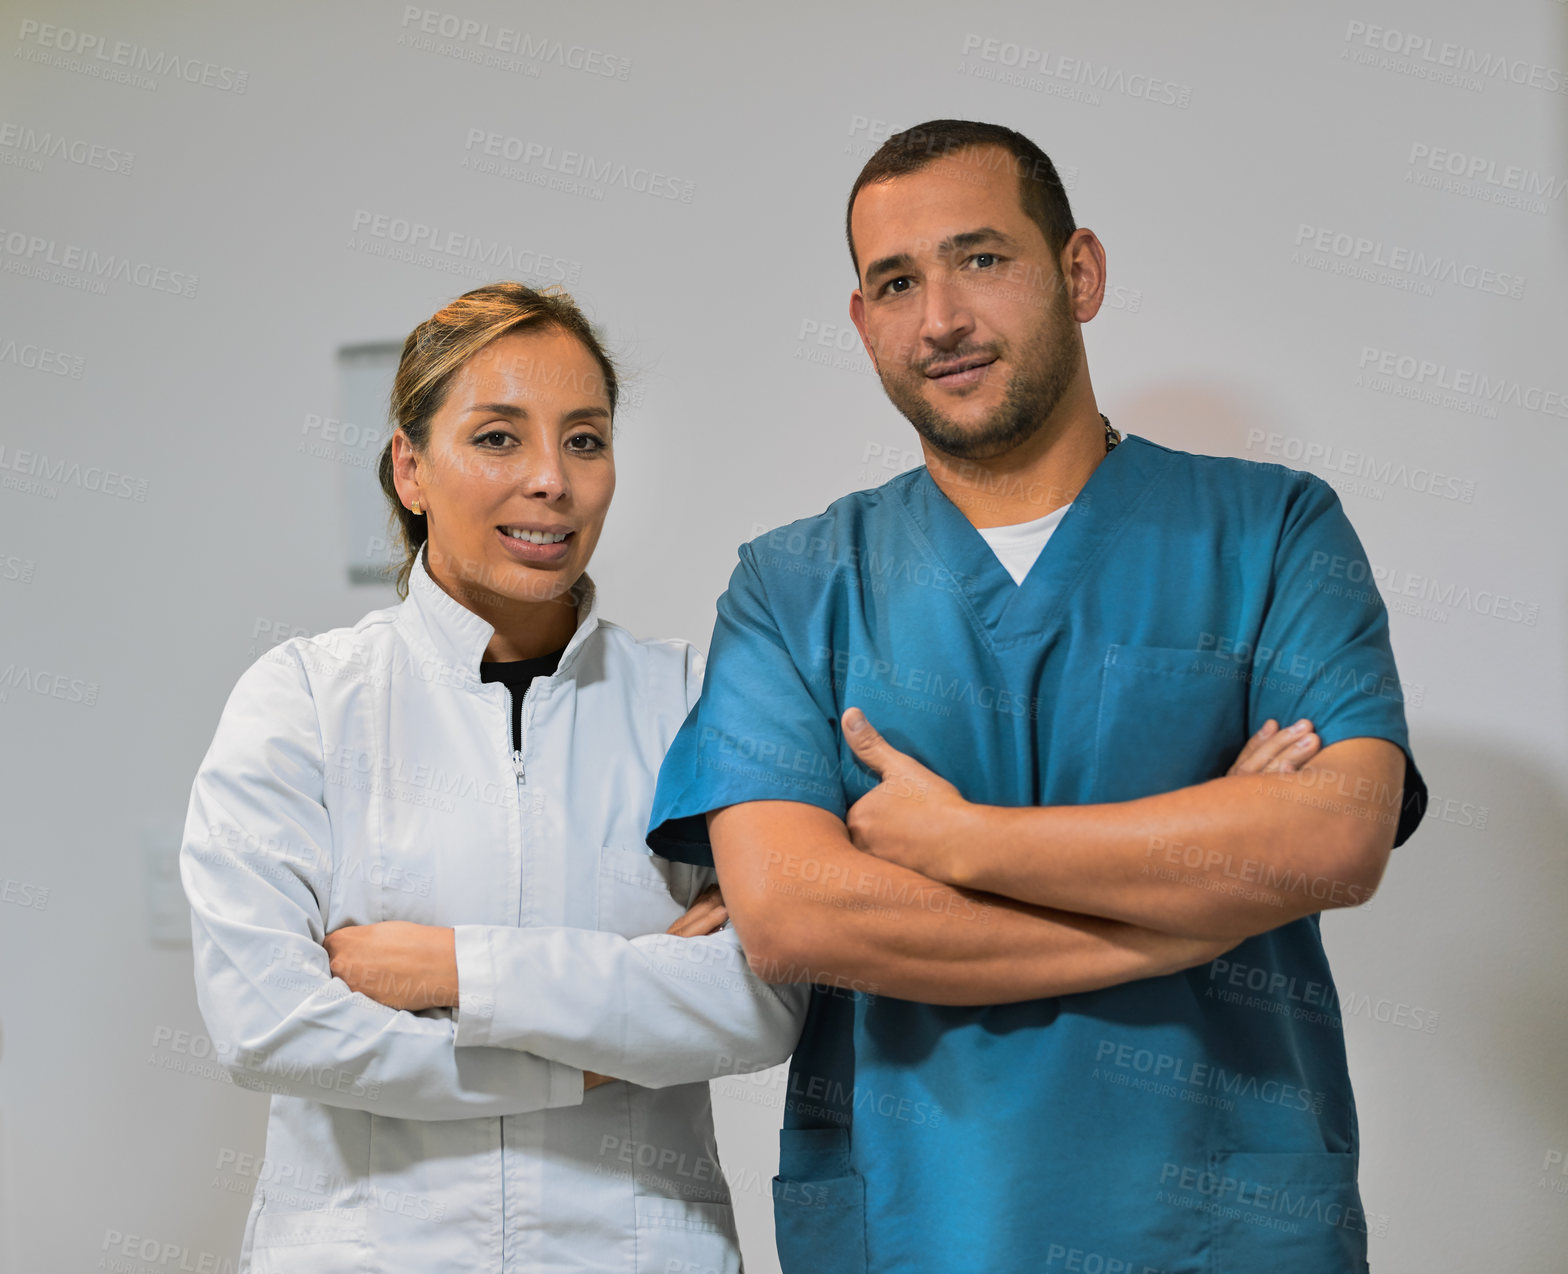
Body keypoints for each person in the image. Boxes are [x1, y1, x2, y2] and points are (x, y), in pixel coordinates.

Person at [647, 120, 1428, 1273]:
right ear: (861, 322)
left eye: (981, 259)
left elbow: (1332, 834)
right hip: (921, 1224)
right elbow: (796, 913)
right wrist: (1202, 895)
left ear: (1078, 272)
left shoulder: (1270, 529)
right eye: (895, 282)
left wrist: (961, 841)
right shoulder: (794, 582)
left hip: (1219, 1223)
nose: (941, 318)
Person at [180, 282, 809, 1274]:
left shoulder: (693, 701)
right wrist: (600, 1050)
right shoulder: (303, 699)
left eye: (585, 439)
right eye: (498, 438)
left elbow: (760, 997)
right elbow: (271, 1024)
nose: (550, 480)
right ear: (409, 467)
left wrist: (453, 970)